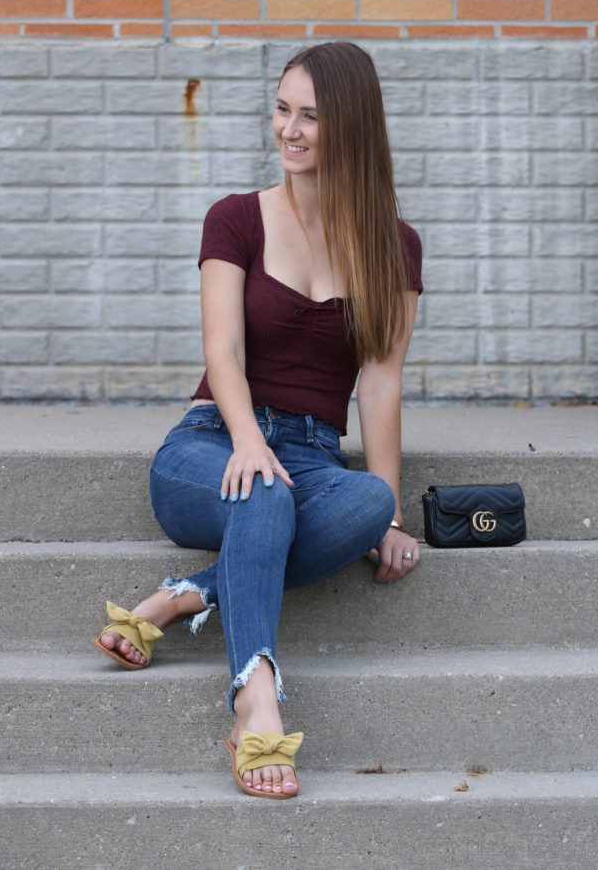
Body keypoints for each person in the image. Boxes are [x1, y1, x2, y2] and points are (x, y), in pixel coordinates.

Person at [93, 41, 423, 800]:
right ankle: (257, 694)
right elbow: (225, 352)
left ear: (353, 129)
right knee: (264, 491)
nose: (290, 129)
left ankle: (187, 595)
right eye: (283, 109)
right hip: (210, 442)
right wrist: (246, 441)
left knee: (366, 500)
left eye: (311, 115)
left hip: (312, 453)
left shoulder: (394, 248)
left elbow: (379, 385)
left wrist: (393, 512)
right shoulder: (236, 219)